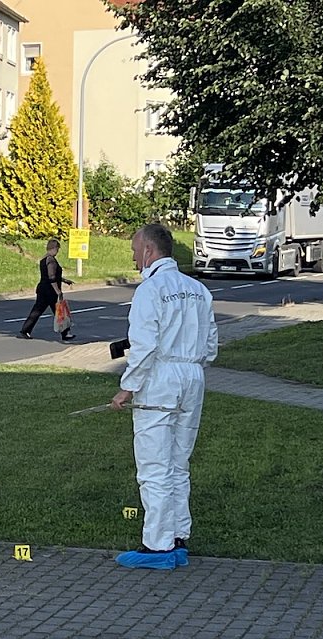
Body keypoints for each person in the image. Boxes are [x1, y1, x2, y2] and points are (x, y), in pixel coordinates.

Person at [110, 223, 218, 570]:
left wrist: (127, 387)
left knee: (154, 465)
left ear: (148, 250)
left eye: (134, 251)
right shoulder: (198, 290)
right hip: (193, 375)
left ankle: (157, 546)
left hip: (161, 378)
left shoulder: (150, 290)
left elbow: (145, 346)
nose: (133, 258)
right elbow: (211, 344)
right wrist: (192, 364)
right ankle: (178, 536)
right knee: (178, 463)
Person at [18, 238, 77, 341]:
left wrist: (64, 280)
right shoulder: (51, 260)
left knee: (37, 311)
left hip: (42, 289)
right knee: (59, 312)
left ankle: (25, 330)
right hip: (50, 291)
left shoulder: (43, 259)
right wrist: (58, 291)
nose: (57, 252)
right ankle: (65, 333)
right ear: (54, 248)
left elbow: (51, 276)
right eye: (57, 249)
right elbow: (51, 277)